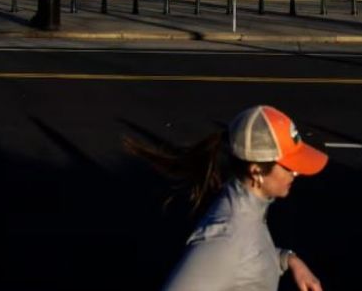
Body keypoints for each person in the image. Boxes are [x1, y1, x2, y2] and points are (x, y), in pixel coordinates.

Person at [127, 105, 327, 291]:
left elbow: (250, 255)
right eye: (288, 167)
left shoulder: (249, 209)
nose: (296, 173)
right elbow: (235, 249)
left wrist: (288, 259)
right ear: (256, 172)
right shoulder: (227, 237)